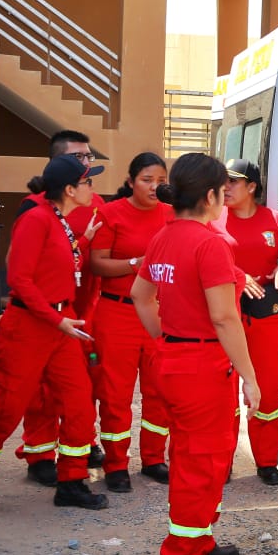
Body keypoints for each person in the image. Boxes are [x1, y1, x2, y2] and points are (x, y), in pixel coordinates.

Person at [0, 155, 109, 516]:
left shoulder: (59, 221)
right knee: (4, 409)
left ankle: (71, 482)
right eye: (87, 182)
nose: (92, 188)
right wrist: (58, 321)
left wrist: (83, 240)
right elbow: (19, 280)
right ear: (69, 190)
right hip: (32, 327)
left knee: (79, 405)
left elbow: (60, 265)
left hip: (60, 323)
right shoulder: (36, 219)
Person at [132, 153, 260, 555]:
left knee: (194, 457)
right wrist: (251, 376)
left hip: (174, 361)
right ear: (210, 196)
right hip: (203, 367)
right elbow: (225, 318)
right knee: (200, 464)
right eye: (223, 193)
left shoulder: (163, 236)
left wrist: (166, 338)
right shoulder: (210, 245)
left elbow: (139, 295)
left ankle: (199, 539)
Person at [13, 130, 107, 485]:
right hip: (49, 312)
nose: (86, 164)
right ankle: (38, 452)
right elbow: (22, 273)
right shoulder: (35, 207)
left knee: (84, 386)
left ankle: (81, 445)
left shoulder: (94, 203)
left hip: (84, 308)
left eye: (88, 158)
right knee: (40, 389)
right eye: (79, 158)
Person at [89, 152, 172, 492]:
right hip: (117, 313)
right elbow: (97, 264)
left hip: (158, 312)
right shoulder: (111, 214)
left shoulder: (172, 215)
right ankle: (116, 465)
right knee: (115, 393)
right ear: (130, 182)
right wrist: (138, 262)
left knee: (159, 391)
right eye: (147, 180)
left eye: (161, 181)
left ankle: (153, 459)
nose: (155, 187)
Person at [218, 159, 278, 485]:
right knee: (223, 396)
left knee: (268, 391)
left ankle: (267, 462)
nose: (225, 187)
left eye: (232, 181)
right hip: (226, 315)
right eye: (222, 181)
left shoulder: (274, 220)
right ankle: (222, 463)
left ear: (251, 186)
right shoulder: (215, 221)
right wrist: (239, 276)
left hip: (266, 318)